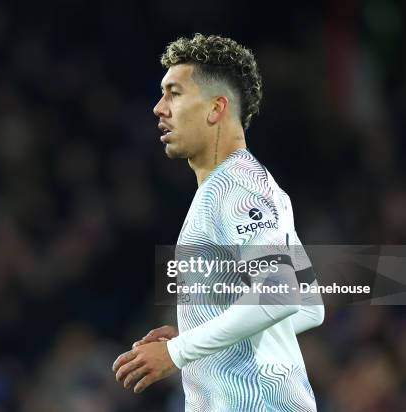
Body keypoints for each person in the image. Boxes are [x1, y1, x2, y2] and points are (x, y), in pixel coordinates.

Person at [112, 34, 325, 411]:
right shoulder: (252, 184)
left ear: (216, 108)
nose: (158, 108)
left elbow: (279, 294)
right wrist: (203, 332)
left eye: (174, 94)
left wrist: (178, 350)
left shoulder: (236, 188)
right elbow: (309, 306)